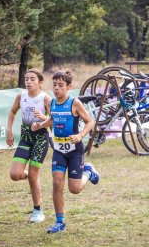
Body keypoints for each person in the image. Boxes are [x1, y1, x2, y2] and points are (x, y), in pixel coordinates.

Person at [31, 70, 99, 233]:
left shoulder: (75, 103)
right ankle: (59, 222)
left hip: (75, 151)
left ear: (69, 87)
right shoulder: (52, 103)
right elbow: (52, 119)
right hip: (59, 150)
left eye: (60, 85)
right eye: (54, 85)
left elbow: (90, 121)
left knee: (74, 189)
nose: (56, 88)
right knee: (56, 183)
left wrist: (80, 135)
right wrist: (40, 125)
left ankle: (88, 172)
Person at [6, 69, 52, 223]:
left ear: (40, 82)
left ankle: (38, 211)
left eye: (32, 79)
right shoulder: (21, 96)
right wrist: (9, 131)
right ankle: (30, 175)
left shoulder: (46, 99)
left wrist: (43, 118)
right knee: (15, 175)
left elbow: (53, 120)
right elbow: (12, 112)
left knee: (33, 176)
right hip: (25, 138)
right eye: (26, 79)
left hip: (40, 139)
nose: (28, 82)